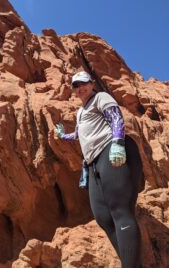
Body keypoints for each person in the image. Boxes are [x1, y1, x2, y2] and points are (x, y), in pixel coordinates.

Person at [55, 71, 143, 268]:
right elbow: (79, 134)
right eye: (76, 86)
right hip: (93, 163)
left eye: (83, 84)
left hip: (110, 150)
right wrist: (63, 135)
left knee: (120, 211)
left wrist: (118, 143)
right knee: (103, 217)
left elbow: (116, 117)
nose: (80, 89)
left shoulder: (100, 97)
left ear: (92, 83)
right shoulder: (80, 112)